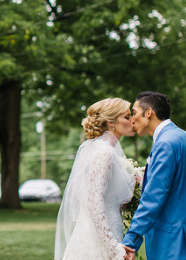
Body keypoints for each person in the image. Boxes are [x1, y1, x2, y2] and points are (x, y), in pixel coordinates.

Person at [122, 91, 186, 260]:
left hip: (173, 240)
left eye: (134, 113)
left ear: (148, 113)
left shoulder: (165, 143)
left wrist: (131, 239)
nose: (132, 119)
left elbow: (154, 196)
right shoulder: (184, 137)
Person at [54, 98, 137, 260]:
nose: (133, 120)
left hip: (103, 230)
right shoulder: (104, 152)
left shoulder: (101, 150)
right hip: (98, 240)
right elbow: (93, 203)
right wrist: (114, 248)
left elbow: (83, 195)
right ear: (111, 122)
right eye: (127, 117)